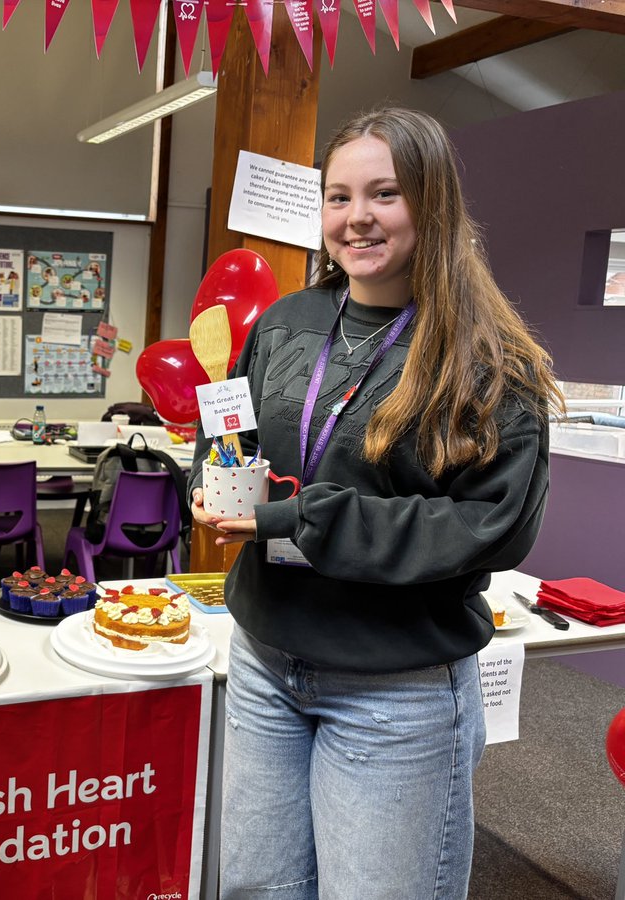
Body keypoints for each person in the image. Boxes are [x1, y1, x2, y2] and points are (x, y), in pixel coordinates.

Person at [189, 107, 561, 899]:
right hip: (264, 661)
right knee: (259, 887)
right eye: (338, 196)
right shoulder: (287, 323)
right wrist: (208, 474)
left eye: (384, 194)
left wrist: (297, 519)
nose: (356, 217)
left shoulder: (489, 362)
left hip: (395, 687)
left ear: (433, 203)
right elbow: (234, 430)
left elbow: (486, 527)